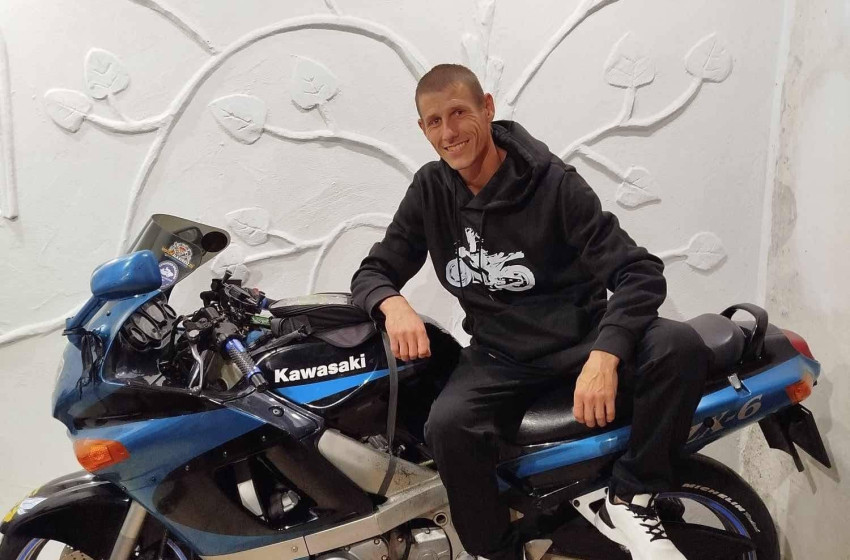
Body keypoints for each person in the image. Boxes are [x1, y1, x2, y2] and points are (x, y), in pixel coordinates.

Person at [350, 64, 709, 560]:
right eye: (434, 121)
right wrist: (392, 304)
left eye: (459, 113)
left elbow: (639, 272)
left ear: (487, 109)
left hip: (582, 339)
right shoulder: (430, 190)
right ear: (423, 129)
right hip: (499, 356)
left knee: (678, 345)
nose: (449, 132)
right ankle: (495, 551)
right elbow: (373, 271)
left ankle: (632, 495)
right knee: (446, 427)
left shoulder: (554, 184)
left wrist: (605, 355)